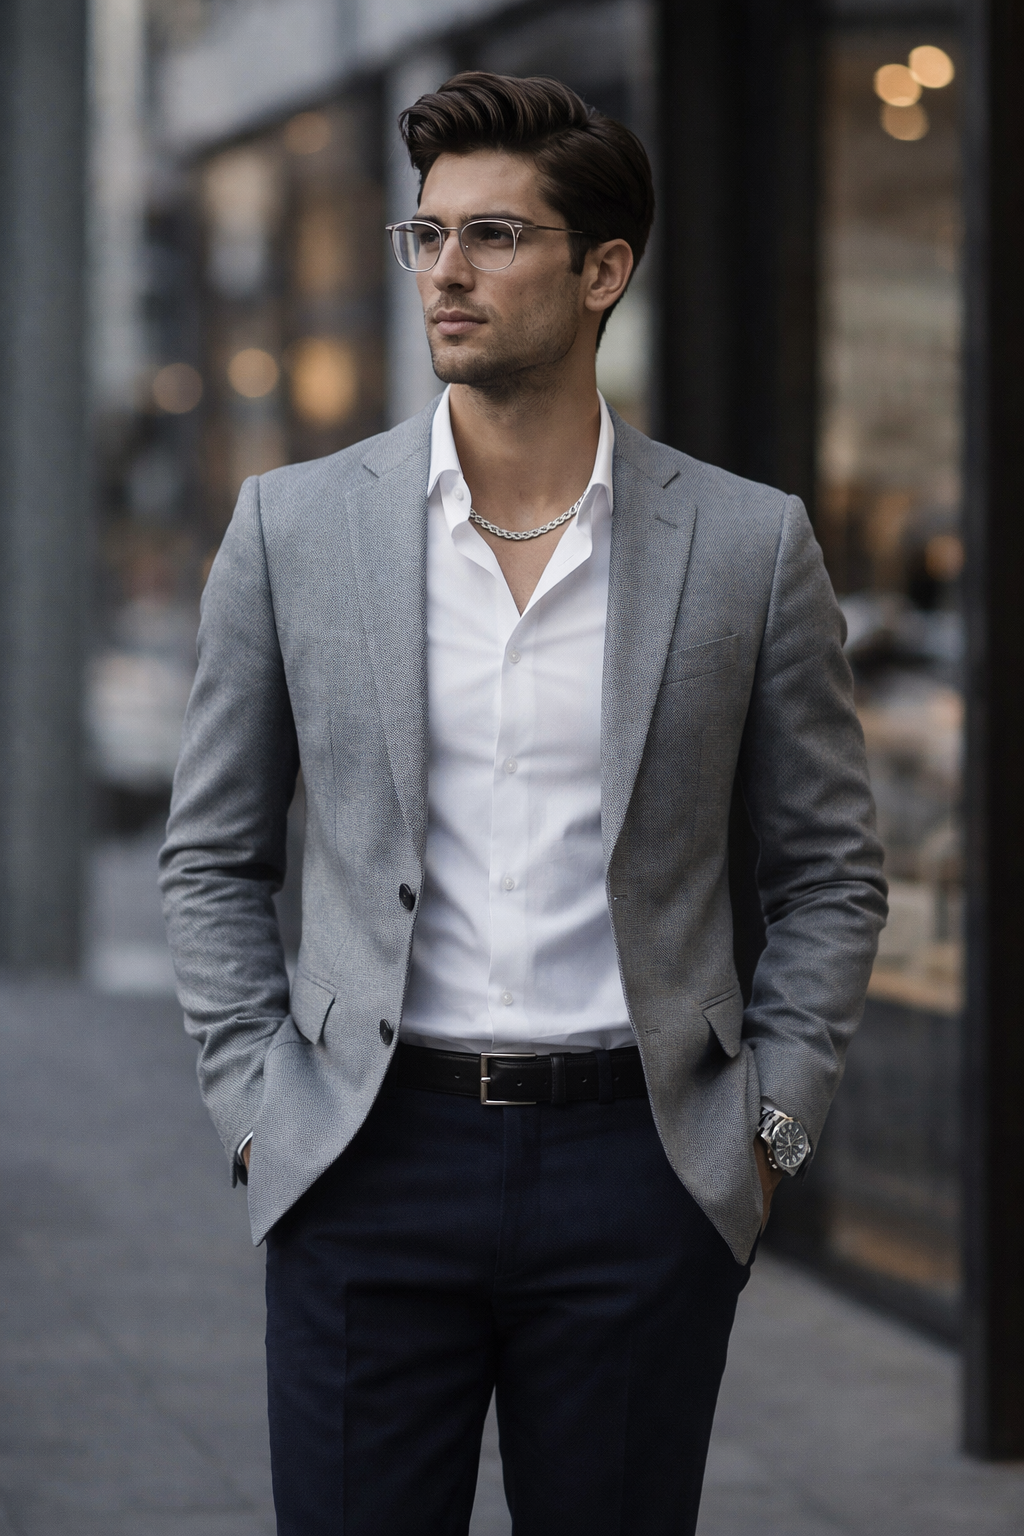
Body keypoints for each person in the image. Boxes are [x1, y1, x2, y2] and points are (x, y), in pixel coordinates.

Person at [160, 71, 886, 1536]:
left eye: (492, 238)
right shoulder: (293, 530)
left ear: (603, 269)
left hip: (640, 1172)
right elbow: (212, 856)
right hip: (365, 1160)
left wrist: (772, 1137)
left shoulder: (747, 546)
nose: (446, 273)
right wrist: (257, 1112)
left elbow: (831, 873)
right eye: (424, 238)